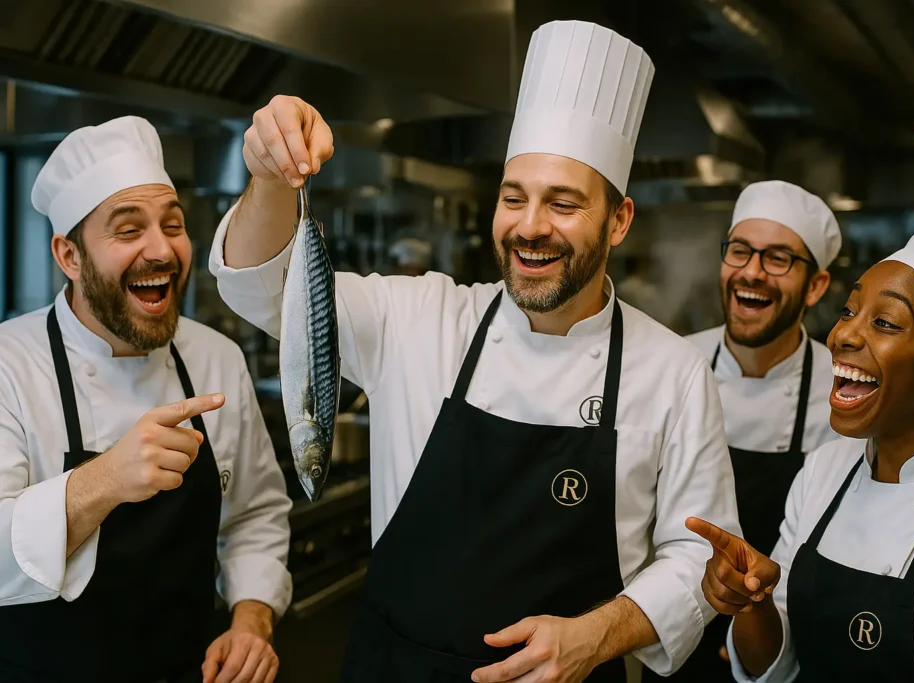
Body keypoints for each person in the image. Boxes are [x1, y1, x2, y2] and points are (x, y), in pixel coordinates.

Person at [209, 19, 741, 683]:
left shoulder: (673, 372)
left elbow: (700, 555)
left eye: (564, 203)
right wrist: (269, 177)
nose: (529, 226)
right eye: (512, 197)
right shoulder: (419, 317)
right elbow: (267, 291)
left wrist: (601, 632)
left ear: (620, 220)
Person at [0, 116, 293, 683]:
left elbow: (255, 514)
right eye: (129, 230)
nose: (162, 249)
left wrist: (252, 618)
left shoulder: (217, 358)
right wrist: (105, 480)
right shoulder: (9, 365)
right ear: (70, 256)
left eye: (173, 224)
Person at [689, 225, 914, 682]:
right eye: (849, 311)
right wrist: (753, 600)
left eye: (884, 322)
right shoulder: (824, 470)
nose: (842, 335)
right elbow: (776, 667)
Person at [664, 181, 842, 680]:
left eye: (779, 258)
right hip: (674, 630)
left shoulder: (847, 395)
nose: (753, 272)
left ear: (816, 286)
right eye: (740, 251)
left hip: (786, 641)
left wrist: (768, 623)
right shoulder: (674, 364)